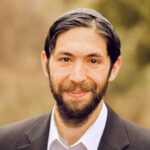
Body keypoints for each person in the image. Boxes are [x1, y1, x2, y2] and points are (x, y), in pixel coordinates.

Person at [0, 8, 150, 150]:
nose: (77, 77)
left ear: (114, 68)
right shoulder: (5, 142)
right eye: (65, 59)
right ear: (46, 64)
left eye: (93, 61)